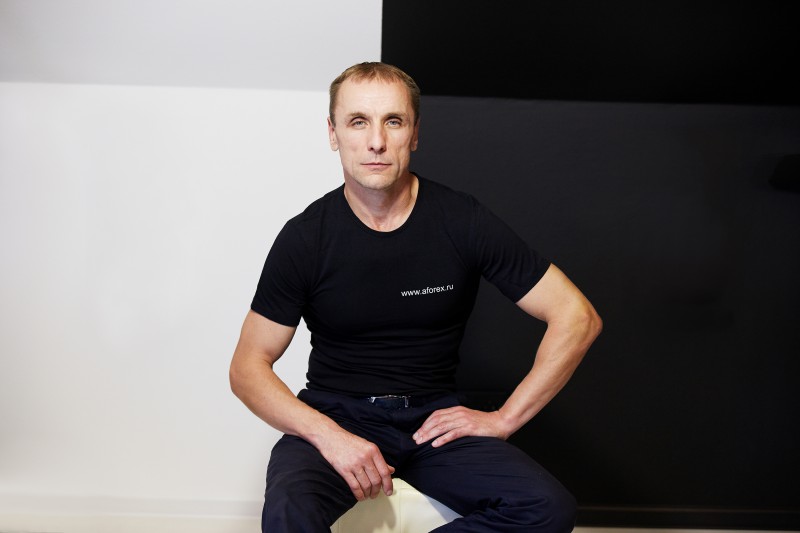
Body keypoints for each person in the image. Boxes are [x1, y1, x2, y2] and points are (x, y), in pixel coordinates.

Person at [230, 61, 602, 532]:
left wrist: (505, 419)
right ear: (333, 133)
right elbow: (247, 367)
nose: (376, 141)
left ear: (415, 133)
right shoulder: (306, 237)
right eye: (358, 121)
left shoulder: (462, 220)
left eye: (394, 121)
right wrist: (328, 435)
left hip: (434, 422)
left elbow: (577, 316)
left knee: (547, 508)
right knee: (289, 512)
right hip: (337, 415)